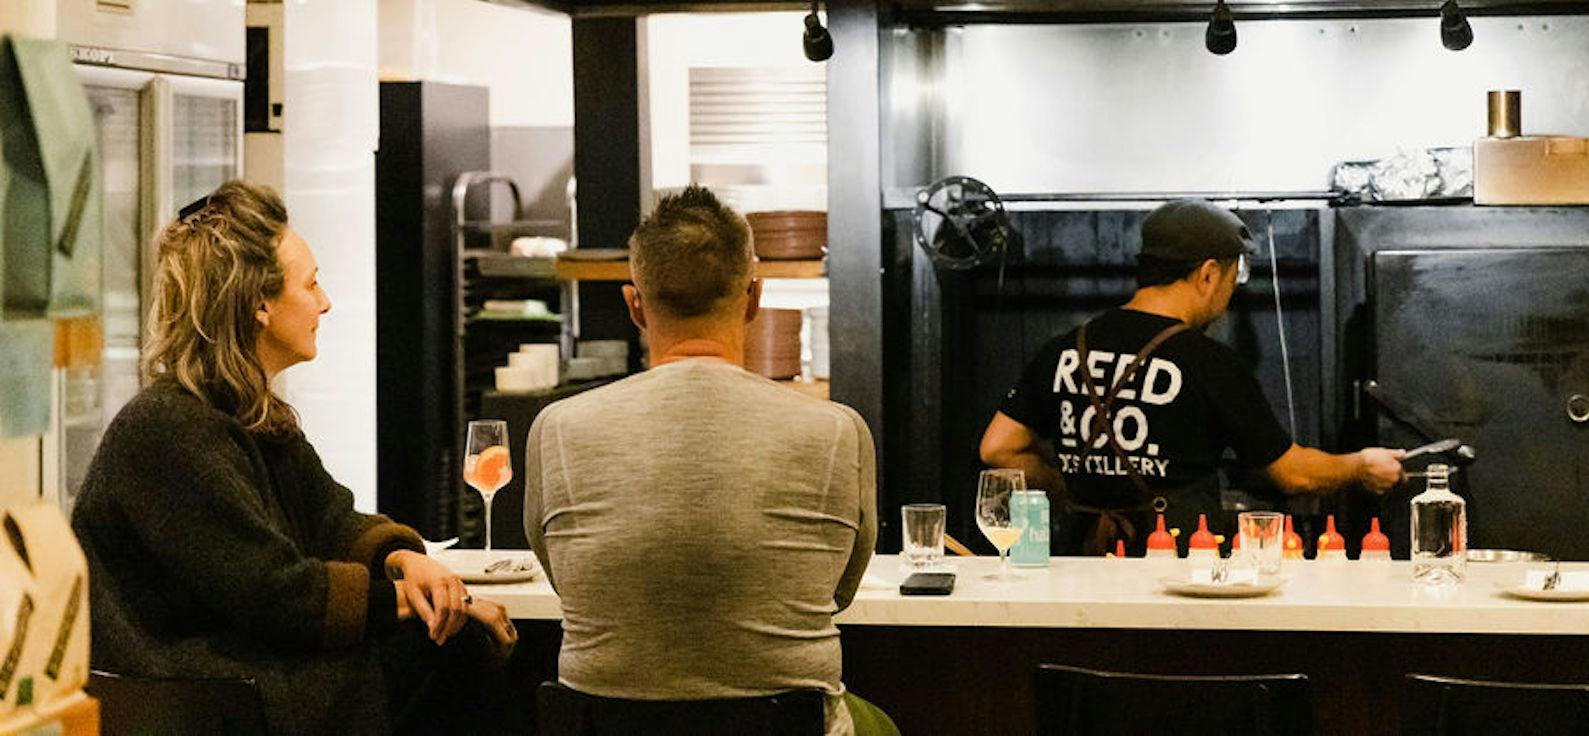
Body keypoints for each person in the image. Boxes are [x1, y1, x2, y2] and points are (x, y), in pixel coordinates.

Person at [71, 181, 517, 736]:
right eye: (310, 284)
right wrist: (433, 603)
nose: (325, 301)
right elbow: (277, 596)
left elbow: (332, 519)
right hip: (197, 692)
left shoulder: (247, 412)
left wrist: (408, 562)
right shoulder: (169, 427)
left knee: (460, 642)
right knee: (459, 647)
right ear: (259, 303)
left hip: (244, 671)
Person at [525, 186, 892, 736]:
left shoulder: (557, 429)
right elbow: (837, 592)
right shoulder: (837, 431)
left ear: (635, 305)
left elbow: (570, 581)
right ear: (754, 298)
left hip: (600, 726)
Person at [979, 198, 1404, 556]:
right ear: (1207, 274)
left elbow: (998, 448)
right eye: (1233, 275)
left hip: (1081, 564)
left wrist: (1067, 486)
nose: (1230, 292)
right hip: (1179, 569)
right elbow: (1293, 473)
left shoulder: (1068, 348)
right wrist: (1360, 465)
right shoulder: (1209, 362)